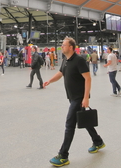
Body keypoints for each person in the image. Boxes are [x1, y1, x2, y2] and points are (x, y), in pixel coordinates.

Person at [44, 37, 104, 167]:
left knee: (69, 124)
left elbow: (88, 79)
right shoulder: (66, 60)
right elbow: (61, 73)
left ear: (71, 47)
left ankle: (63, 155)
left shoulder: (79, 60)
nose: (62, 47)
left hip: (78, 98)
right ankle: (98, 141)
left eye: (64, 45)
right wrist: (50, 80)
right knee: (84, 120)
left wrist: (86, 97)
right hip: (72, 97)